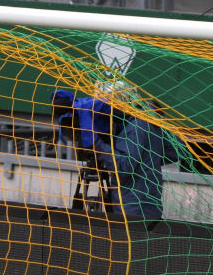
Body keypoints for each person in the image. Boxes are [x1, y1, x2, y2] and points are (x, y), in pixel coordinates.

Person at [52, 90, 177, 219]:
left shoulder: (134, 127)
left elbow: (124, 166)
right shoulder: (145, 123)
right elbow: (173, 153)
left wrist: (97, 145)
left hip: (134, 211)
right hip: (145, 206)